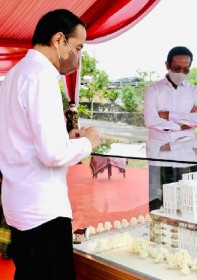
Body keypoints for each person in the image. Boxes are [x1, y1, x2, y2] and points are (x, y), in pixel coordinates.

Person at [0, 9, 100, 280]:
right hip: (44, 211)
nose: (78, 56)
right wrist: (88, 143)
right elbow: (52, 154)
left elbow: (23, 139)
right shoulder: (41, 76)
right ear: (59, 40)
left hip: (20, 206)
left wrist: (66, 140)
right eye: (78, 47)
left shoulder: (15, 75)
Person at [144, 46, 197, 210]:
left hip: (187, 153)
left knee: (189, 202)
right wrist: (184, 125)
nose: (181, 72)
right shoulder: (153, 90)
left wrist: (168, 115)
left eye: (186, 69)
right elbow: (151, 120)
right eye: (176, 68)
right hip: (160, 152)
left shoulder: (195, 91)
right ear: (167, 65)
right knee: (159, 203)